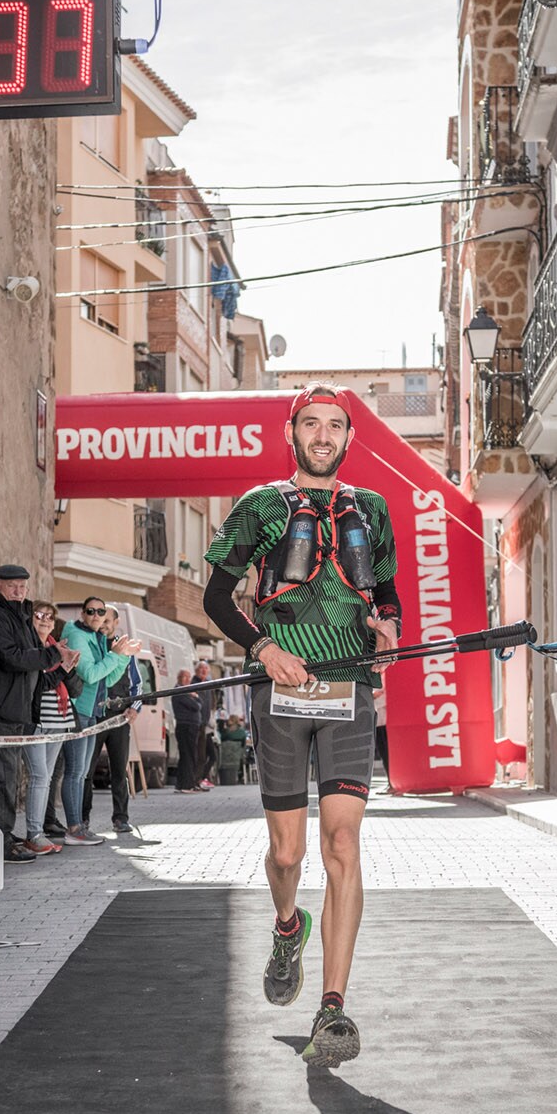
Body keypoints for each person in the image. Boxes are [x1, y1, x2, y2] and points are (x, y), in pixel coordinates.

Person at [203, 382, 400, 1068]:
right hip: (279, 695)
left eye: (335, 425)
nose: (323, 435)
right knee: (287, 854)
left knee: (341, 844)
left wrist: (388, 631)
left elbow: (388, 596)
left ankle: (334, 1009)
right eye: (311, 423)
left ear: (349, 438)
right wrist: (264, 649)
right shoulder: (260, 506)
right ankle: (289, 925)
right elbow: (214, 597)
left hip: (349, 690)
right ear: (293, 432)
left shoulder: (372, 511)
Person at [0, 566, 76, 863]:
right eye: (12, 586)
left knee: (8, 777)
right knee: (2, 778)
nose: (19, 591)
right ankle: (1, 840)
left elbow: (31, 663)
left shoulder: (21, 616)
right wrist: (53, 655)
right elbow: (12, 658)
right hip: (0, 710)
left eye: (23, 586)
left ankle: (4, 834)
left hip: (19, 711)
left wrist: (54, 662)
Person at [57, 597, 140, 843]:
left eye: (100, 612)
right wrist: (115, 655)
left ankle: (83, 825)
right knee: (76, 772)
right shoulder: (77, 634)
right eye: (91, 611)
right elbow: (91, 675)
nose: (96, 615)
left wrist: (122, 656)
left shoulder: (96, 637)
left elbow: (109, 679)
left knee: (84, 772)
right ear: (83, 613)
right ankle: (75, 826)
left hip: (95, 712)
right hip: (78, 710)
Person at [22, 601, 83, 855]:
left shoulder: (54, 646)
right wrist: (62, 666)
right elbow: (40, 683)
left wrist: (69, 667)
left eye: (50, 616)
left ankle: (38, 832)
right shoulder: (30, 647)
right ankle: (34, 834)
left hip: (59, 720)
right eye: (39, 615)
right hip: (36, 721)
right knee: (38, 776)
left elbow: (75, 689)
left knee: (46, 778)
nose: (45, 620)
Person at [80, 606, 138, 835]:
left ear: (116, 622)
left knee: (118, 770)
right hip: (93, 716)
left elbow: (137, 683)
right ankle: (82, 818)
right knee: (86, 770)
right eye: (100, 620)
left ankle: (121, 818)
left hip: (118, 718)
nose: (103, 624)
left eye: (107, 620)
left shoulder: (126, 649)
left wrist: (134, 707)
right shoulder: (92, 646)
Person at [172, 671, 204, 794]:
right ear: (179, 678)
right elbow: (196, 707)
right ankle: (186, 785)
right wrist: (195, 697)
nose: (187, 679)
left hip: (190, 727)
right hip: (185, 726)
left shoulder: (186, 691)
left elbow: (200, 704)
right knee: (188, 756)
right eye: (184, 677)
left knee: (187, 756)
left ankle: (182, 784)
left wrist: (196, 698)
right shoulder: (180, 692)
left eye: (188, 677)